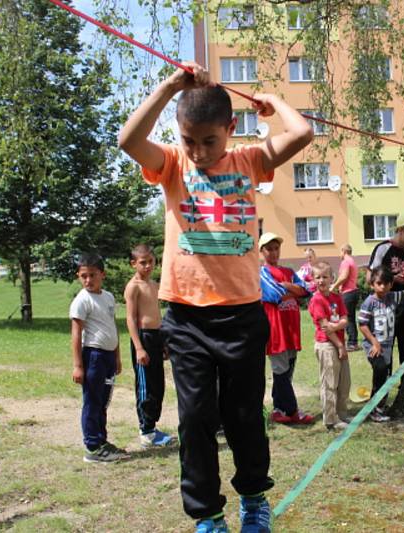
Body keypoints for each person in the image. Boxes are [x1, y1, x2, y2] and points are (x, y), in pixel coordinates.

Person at [118, 60, 313, 532]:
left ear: (230, 128)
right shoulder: (171, 165)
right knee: (195, 420)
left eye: (210, 140)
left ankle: (252, 499)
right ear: (179, 134)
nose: (200, 152)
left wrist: (273, 106)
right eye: (190, 140)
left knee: (245, 416)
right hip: (184, 319)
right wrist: (170, 86)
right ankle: (207, 514)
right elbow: (128, 141)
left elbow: (303, 132)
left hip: (242, 316)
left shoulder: (249, 160)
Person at [69, 253, 128, 463]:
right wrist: (78, 365)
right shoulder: (81, 301)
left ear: (102, 274)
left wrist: (117, 357)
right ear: (78, 276)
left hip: (108, 357)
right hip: (93, 356)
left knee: (103, 401)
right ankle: (92, 447)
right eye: (83, 276)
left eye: (92, 275)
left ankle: (102, 441)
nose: (88, 280)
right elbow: (76, 335)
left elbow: (113, 328)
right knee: (92, 401)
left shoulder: (108, 297)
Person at [258, 232, 315, 426]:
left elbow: (307, 290)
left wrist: (288, 286)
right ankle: (293, 411)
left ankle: (279, 409)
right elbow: (274, 294)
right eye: (269, 249)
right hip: (276, 329)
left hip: (291, 328)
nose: (273, 253)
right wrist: (292, 292)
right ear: (262, 251)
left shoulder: (289, 271)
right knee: (280, 370)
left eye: (276, 248)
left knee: (287, 370)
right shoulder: (262, 272)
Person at [123, 244, 176, 448]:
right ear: (133, 263)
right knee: (146, 387)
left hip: (156, 337)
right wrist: (139, 348)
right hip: (143, 339)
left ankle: (153, 428)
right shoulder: (133, 286)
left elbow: (157, 315)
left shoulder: (154, 285)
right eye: (142, 262)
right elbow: (131, 318)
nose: (147, 266)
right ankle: (145, 431)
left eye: (150, 261)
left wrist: (164, 342)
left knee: (158, 384)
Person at [357, 265, 404, 422]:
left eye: (386, 283)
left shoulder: (392, 297)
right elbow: (362, 325)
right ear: (372, 284)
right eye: (379, 283)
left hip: (387, 347)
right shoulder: (369, 302)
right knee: (380, 371)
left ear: (391, 284)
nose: (382, 286)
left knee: (385, 377)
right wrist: (374, 343)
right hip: (374, 347)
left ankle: (379, 406)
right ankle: (374, 409)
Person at [367, 215, 404, 376]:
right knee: (383, 351)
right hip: (384, 305)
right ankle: (380, 395)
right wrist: (391, 279)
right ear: (401, 230)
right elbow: (371, 278)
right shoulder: (383, 248)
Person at [308, 261, 351, 431]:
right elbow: (325, 328)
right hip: (327, 345)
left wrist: (337, 325)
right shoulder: (317, 300)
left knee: (344, 381)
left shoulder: (336, 297)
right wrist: (340, 345)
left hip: (339, 343)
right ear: (313, 279)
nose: (321, 280)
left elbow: (345, 319)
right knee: (329, 382)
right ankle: (330, 419)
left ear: (332, 278)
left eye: (325, 277)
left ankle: (342, 413)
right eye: (317, 277)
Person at [330, 244, 360, 351]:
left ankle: (352, 343)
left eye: (340, 251)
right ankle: (353, 341)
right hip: (354, 292)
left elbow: (344, 276)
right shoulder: (352, 261)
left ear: (343, 251)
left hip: (348, 293)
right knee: (351, 317)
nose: (340, 254)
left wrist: (334, 286)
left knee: (346, 318)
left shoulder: (346, 261)